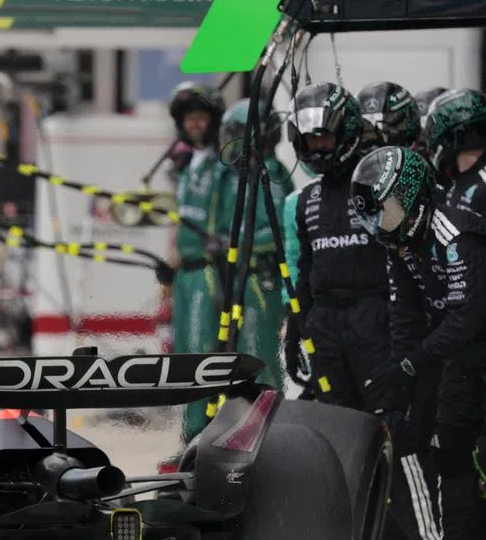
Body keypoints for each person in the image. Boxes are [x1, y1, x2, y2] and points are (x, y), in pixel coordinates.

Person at [351, 136, 486, 540]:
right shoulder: (402, 244)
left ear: (414, 197)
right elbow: (407, 316)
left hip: (473, 345)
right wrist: (400, 376)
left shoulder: (457, 235)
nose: (380, 224)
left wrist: (414, 363)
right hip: (455, 355)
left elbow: (468, 315)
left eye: (385, 210)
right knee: (440, 446)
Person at [287, 82, 391, 411]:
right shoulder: (307, 199)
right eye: (310, 140)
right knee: (336, 420)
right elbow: (305, 272)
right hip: (324, 326)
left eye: (324, 138)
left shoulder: (380, 185)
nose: (317, 148)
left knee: (387, 418)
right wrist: (294, 331)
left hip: (376, 321)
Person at [213, 98, 294, 392]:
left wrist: (233, 242)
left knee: (261, 353)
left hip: (263, 279)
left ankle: (270, 418)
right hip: (244, 279)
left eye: (236, 133)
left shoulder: (269, 173)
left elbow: (277, 230)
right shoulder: (244, 174)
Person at [164, 81, 227, 443]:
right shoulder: (186, 166)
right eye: (190, 119)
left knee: (204, 351)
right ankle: (189, 435)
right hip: (185, 272)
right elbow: (178, 216)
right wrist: (168, 258)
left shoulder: (222, 165)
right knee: (185, 352)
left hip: (207, 270)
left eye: (202, 118)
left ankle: (205, 432)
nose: (195, 125)